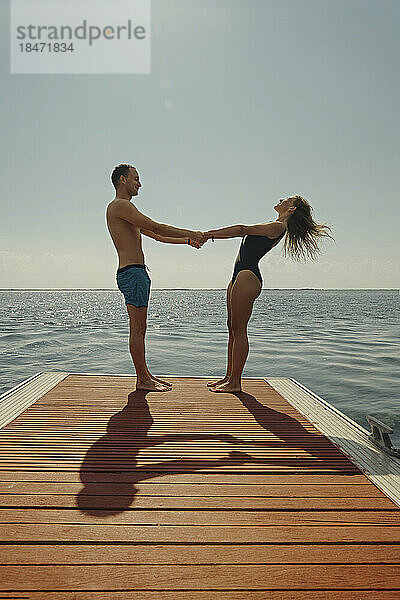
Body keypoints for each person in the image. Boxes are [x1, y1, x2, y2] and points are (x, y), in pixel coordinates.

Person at [204, 195, 333, 393]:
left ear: (292, 209)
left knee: (239, 329)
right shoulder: (274, 225)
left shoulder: (278, 227)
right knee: (232, 327)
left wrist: (207, 234)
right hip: (239, 275)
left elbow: (241, 230)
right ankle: (229, 377)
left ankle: (235, 382)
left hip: (248, 276)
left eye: (287, 199)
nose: (281, 199)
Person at [106, 164, 204, 392]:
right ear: (123, 180)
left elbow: (156, 235)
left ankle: (145, 375)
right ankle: (142, 380)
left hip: (135, 273)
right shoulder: (120, 206)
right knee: (137, 329)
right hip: (132, 273)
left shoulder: (126, 210)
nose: (139, 183)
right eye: (136, 178)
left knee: (141, 328)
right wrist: (192, 232)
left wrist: (187, 242)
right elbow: (155, 225)